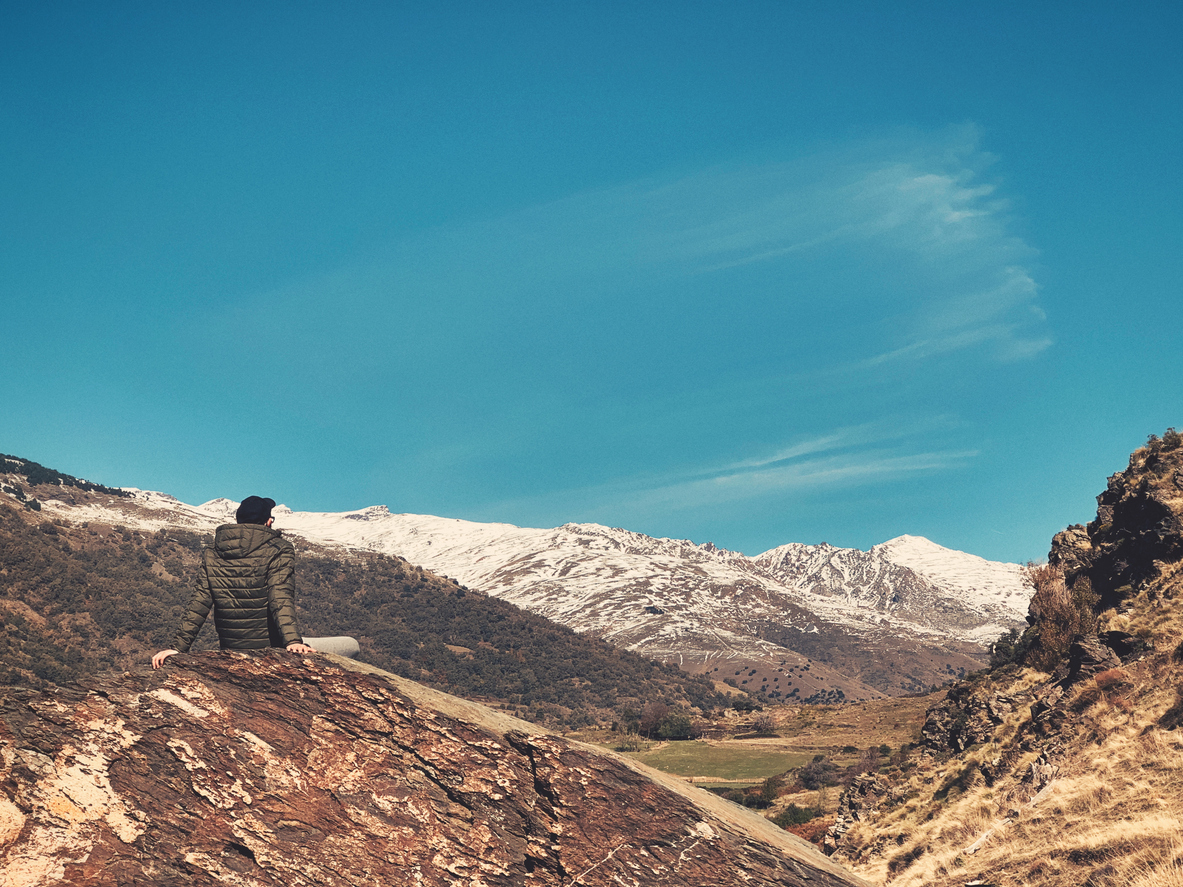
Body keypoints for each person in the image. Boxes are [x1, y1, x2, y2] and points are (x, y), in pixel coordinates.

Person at [152, 495, 315, 668]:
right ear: (268, 522)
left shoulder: (213, 552)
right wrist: (293, 641)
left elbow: (199, 602)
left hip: (230, 651)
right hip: (271, 652)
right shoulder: (279, 549)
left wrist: (178, 647)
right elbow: (280, 597)